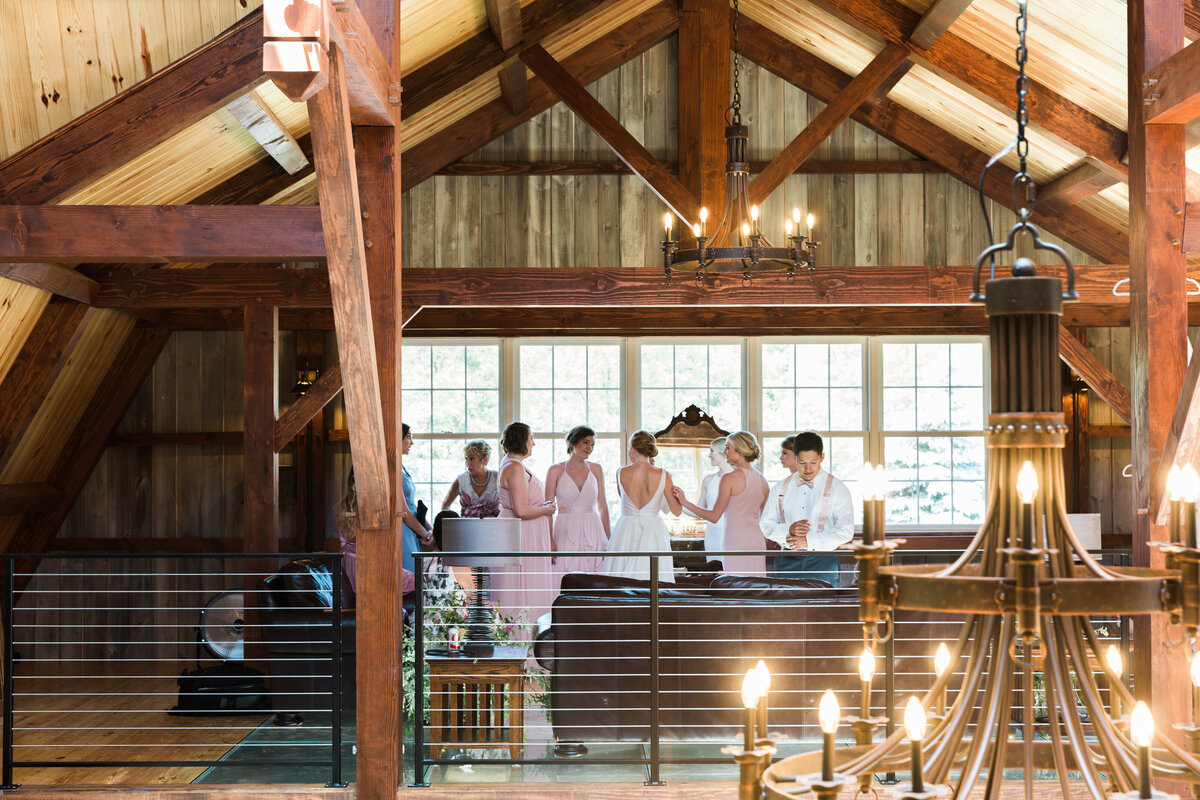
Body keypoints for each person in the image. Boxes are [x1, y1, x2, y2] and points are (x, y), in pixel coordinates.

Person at [760, 431, 854, 587]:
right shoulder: (780, 488)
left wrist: (808, 542)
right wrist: (788, 530)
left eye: (814, 462)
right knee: (785, 610)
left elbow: (845, 531)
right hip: (786, 563)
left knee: (822, 610)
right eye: (802, 462)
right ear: (795, 458)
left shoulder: (838, 489)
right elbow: (765, 524)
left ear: (822, 457)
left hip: (823, 563)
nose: (808, 468)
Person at [673, 431, 771, 576]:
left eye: (728, 448)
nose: (725, 452)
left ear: (739, 450)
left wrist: (685, 502)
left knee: (733, 586)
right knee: (755, 586)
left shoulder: (729, 478)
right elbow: (766, 519)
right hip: (756, 541)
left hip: (735, 540)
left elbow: (714, 516)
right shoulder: (762, 480)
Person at [494, 421, 558, 628]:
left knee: (530, 588)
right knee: (522, 589)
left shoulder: (514, 464)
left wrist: (542, 506)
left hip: (526, 534)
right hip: (521, 535)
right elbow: (521, 510)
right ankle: (523, 648)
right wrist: (547, 510)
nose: (534, 444)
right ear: (522, 441)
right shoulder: (513, 467)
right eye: (532, 439)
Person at [603, 430, 682, 584]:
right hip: (653, 530)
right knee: (653, 578)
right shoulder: (663, 475)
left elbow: (623, 498)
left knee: (620, 578)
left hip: (625, 528)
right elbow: (677, 511)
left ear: (633, 449)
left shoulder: (621, 472)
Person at [545, 426, 611, 574]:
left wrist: (608, 539)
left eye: (593, 444)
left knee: (593, 577)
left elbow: (602, 506)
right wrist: (549, 541)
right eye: (586, 442)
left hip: (592, 529)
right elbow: (547, 510)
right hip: (565, 530)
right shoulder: (555, 470)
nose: (590, 448)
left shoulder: (596, 469)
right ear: (573, 443)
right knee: (563, 575)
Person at [685, 437, 733, 561]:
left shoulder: (739, 478)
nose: (708, 455)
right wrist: (675, 503)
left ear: (723, 451)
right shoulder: (708, 480)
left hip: (734, 536)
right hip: (713, 537)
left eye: (712, 451)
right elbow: (698, 512)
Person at [399, 423, 435, 575]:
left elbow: (412, 505)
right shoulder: (393, 469)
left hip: (412, 529)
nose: (411, 442)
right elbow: (403, 510)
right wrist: (425, 534)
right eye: (408, 437)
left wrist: (429, 528)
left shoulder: (402, 467)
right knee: (410, 574)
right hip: (404, 530)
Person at [441, 439, 500, 518]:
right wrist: (452, 527)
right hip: (465, 528)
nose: (467, 463)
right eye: (466, 459)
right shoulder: (461, 480)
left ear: (485, 460)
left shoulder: (497, 478)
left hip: (494, 528)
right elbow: (445, 505)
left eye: (472, 458)